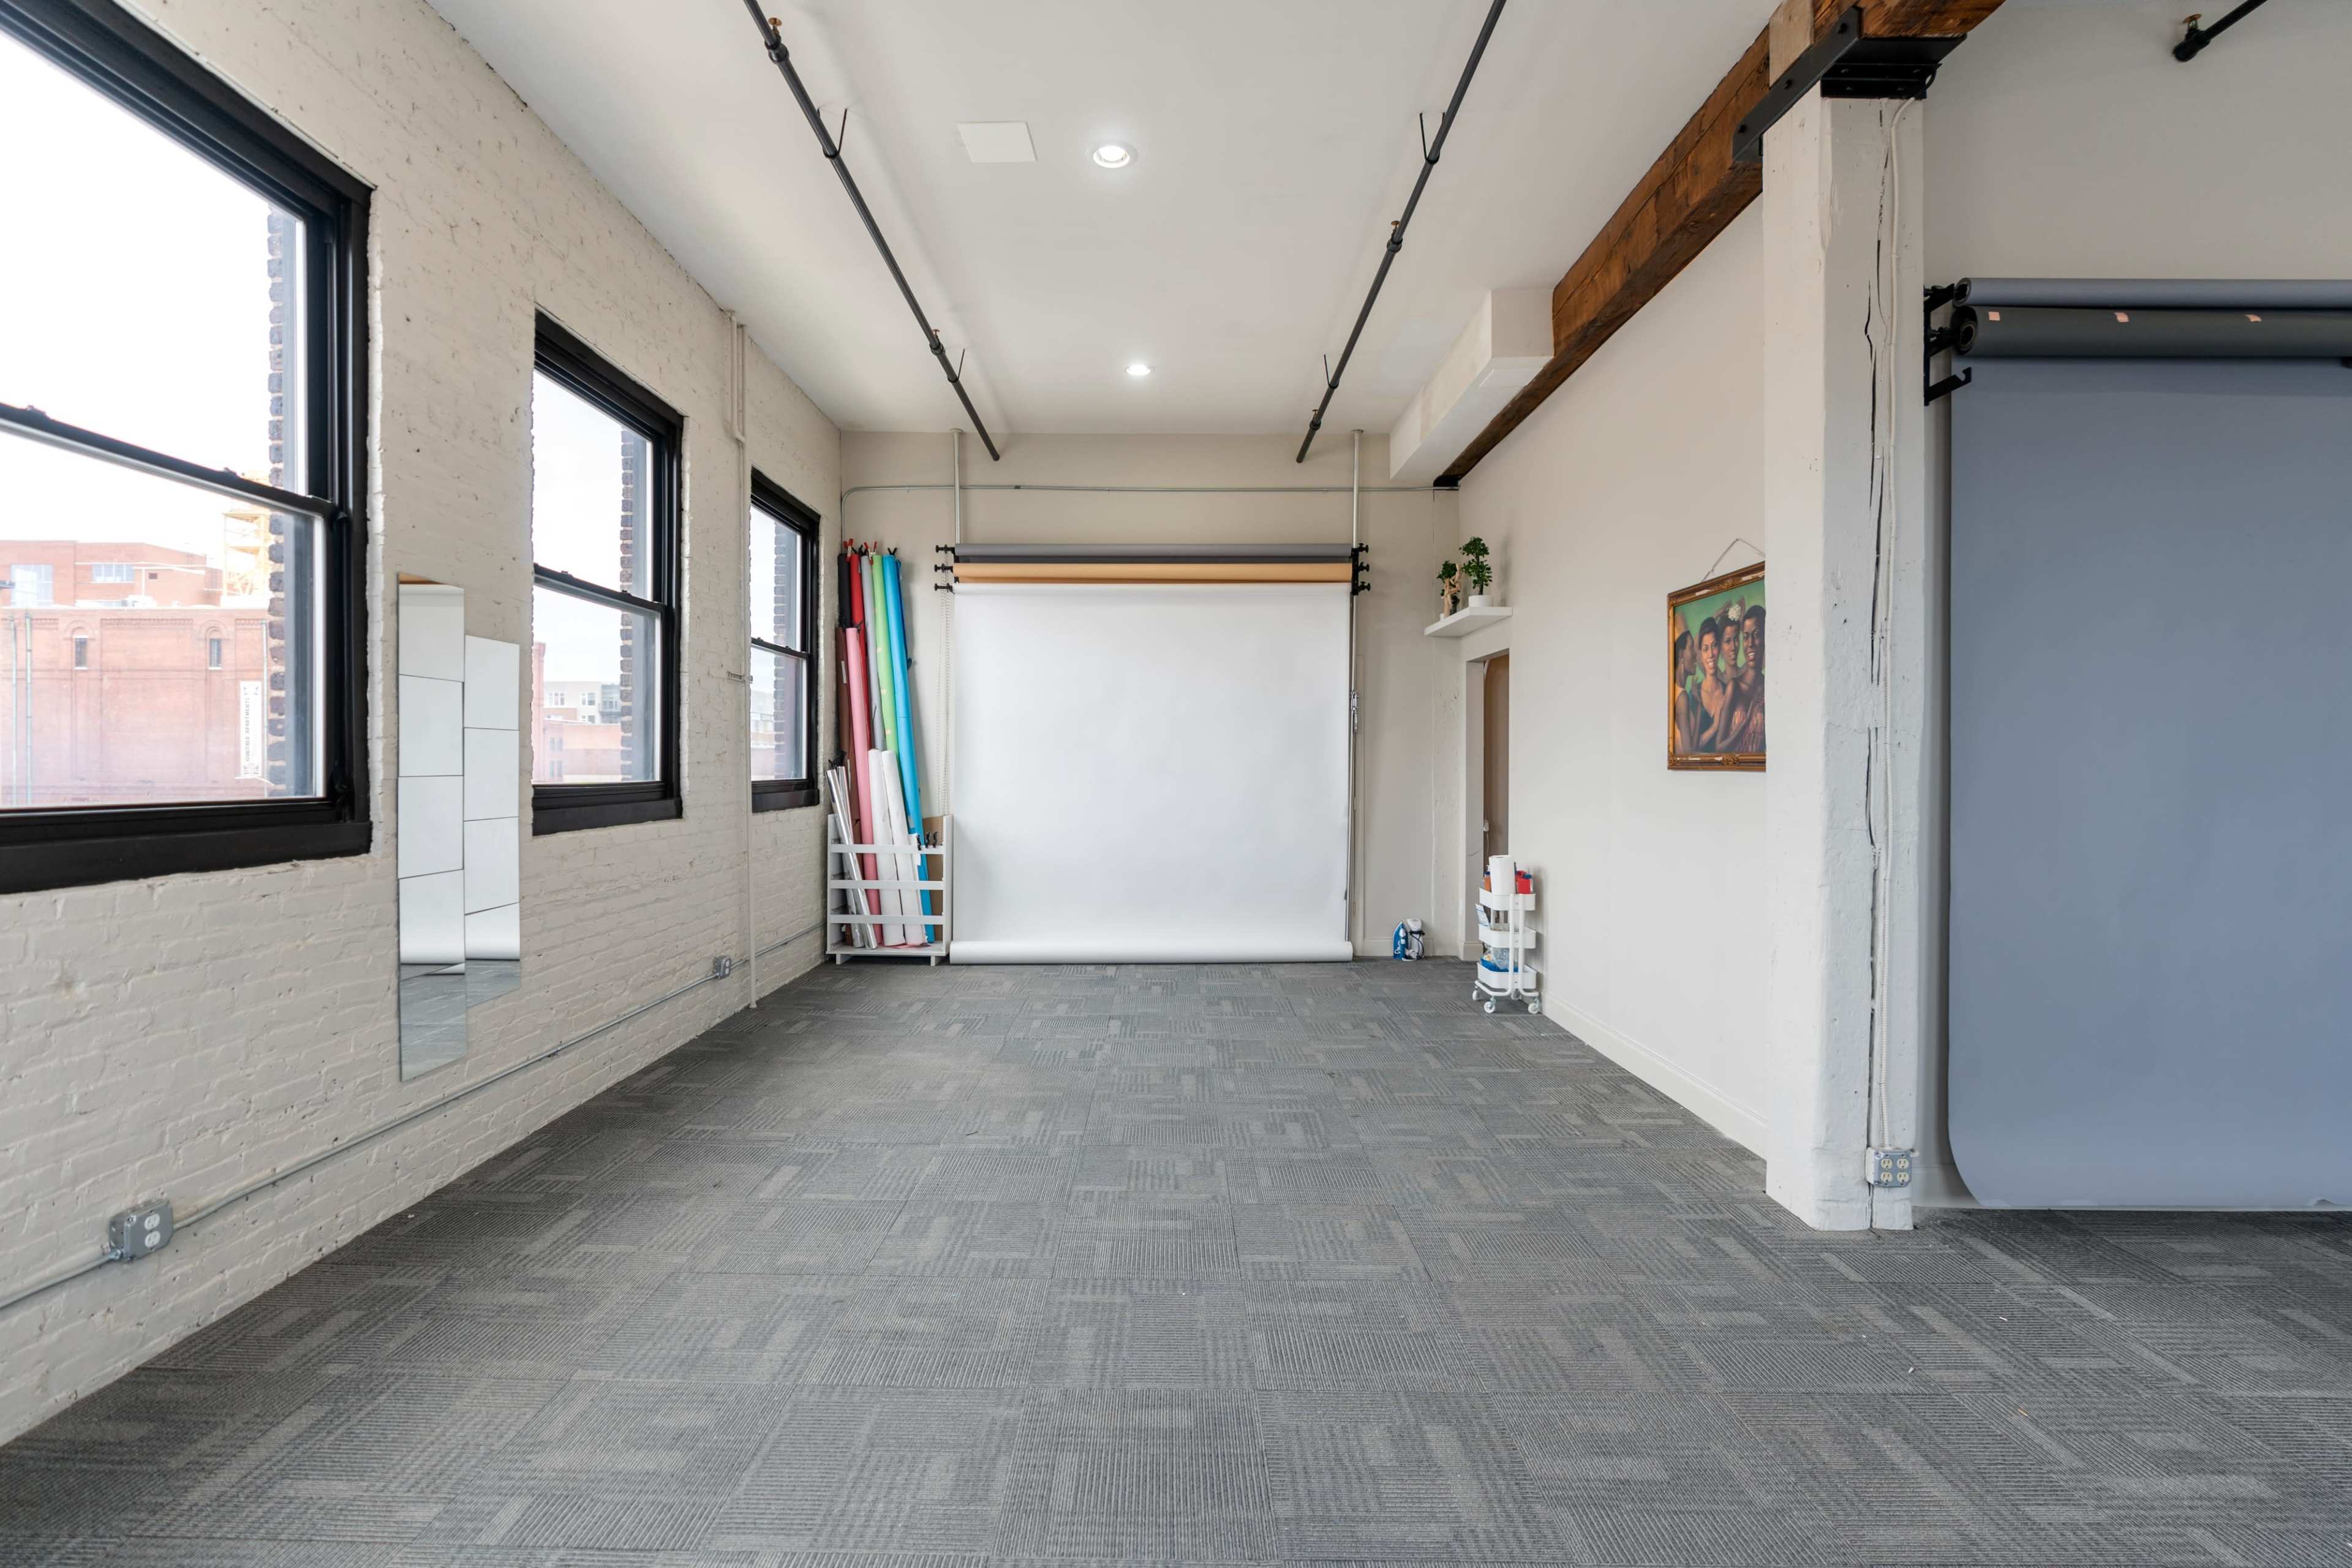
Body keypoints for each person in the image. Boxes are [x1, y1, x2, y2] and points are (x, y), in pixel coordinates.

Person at [1717, 604, 1767, 753]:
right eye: (1746, 637)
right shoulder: (1735, 686)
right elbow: (1719, 748)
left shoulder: (1769, 687)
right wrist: (1746, 722)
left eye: (1757, 635)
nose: (1750, 643)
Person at [1692, 616, 1730, 750]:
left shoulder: (1728, 691)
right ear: (1701, 655)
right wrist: (1715, 727)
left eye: (1714, 646)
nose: (1710, 655)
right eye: (1705, 649)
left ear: (1719, 649)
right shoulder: (1694, 693)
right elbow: (1692, 747)